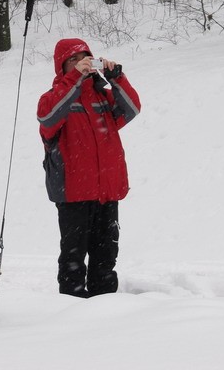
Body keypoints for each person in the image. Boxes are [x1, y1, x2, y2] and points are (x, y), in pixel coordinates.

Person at [37, 37, 141, 298]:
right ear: (62, 67)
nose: (81, 63)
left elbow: (132, 108)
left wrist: (116, 77)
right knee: (73, 258)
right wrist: (74, 79)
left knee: (105, 258)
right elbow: (48, 118)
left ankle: (105, 309)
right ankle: (72, 311)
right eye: (73, 59)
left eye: (85, 57)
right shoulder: (52, 98)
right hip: (73, 193)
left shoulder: (103, 97)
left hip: (106, 191)